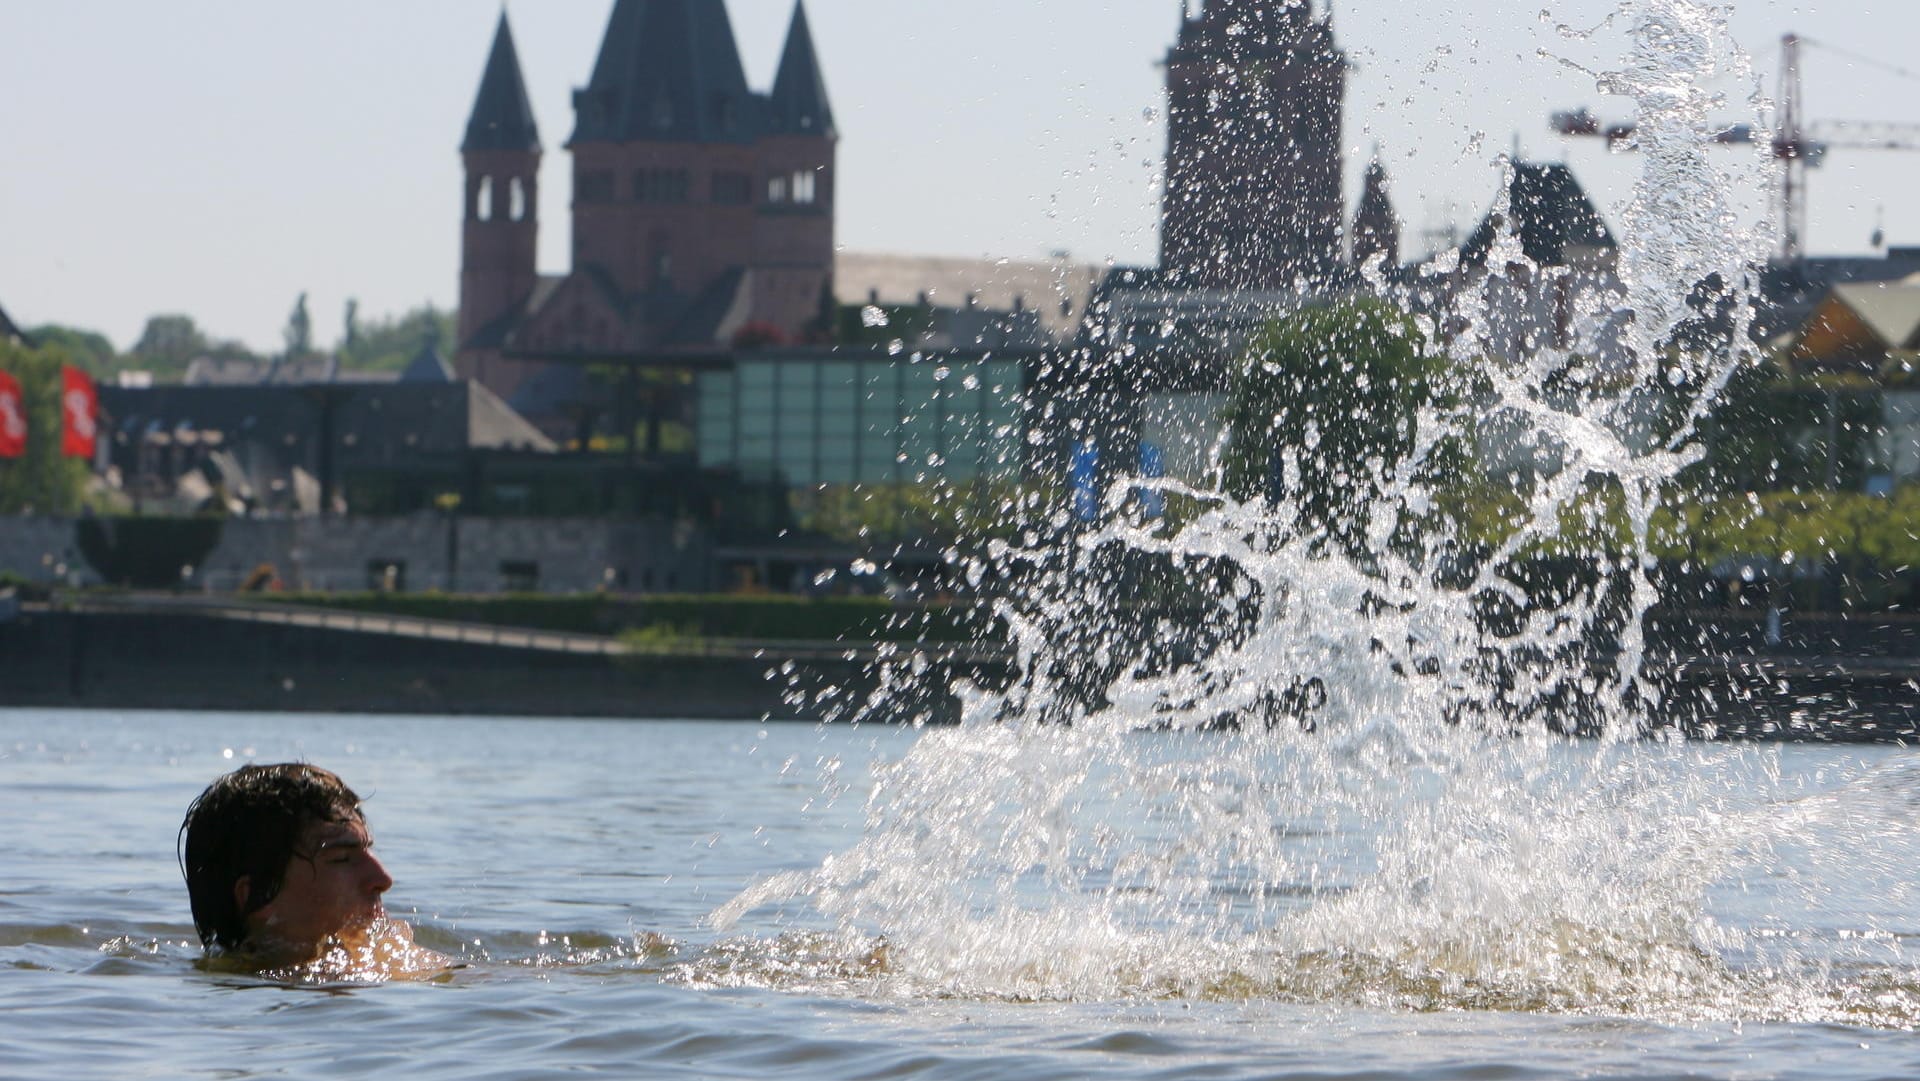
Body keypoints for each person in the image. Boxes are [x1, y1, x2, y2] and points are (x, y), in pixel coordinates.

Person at [178, 762, 443, 976]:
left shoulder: (403, 965)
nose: (383, 879)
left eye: (367, 851)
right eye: (340, 858)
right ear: (258, 896)